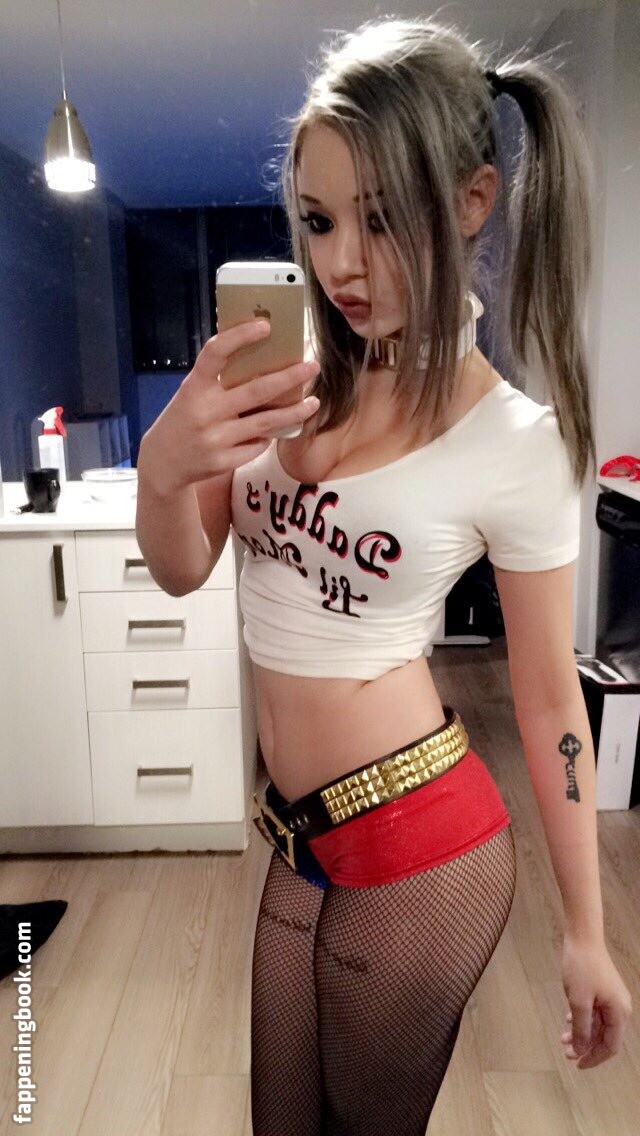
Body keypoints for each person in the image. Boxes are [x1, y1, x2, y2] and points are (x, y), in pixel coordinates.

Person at [136, 15, 633, 1135]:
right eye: (318, 220)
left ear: (472, 202)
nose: (342, 263)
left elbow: (551, 701)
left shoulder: (515, 443)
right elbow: (180, 567)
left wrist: (586, 932)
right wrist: (166, 467)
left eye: (383, 217)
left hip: (422, 843)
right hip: (295, 830)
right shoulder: (278, 388)